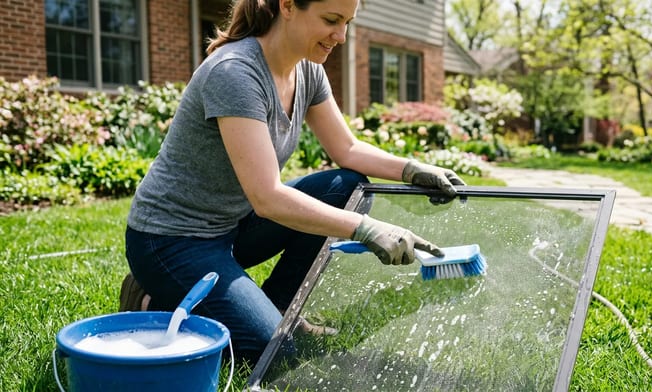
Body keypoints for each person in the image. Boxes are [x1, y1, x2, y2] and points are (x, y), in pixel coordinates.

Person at [120, 0, 465, 366]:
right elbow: (268, 197)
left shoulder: (308, 71)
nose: (341, 36)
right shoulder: (235, 71)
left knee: (346, 186)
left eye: (348, 22)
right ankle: (153, 298)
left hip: (234, 225)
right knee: (274, 354)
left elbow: (346, 149)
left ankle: (283, 311)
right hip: (172, 240)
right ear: (287, 6)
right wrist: (364, 228)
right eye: (331, 20)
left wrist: (413, 169)